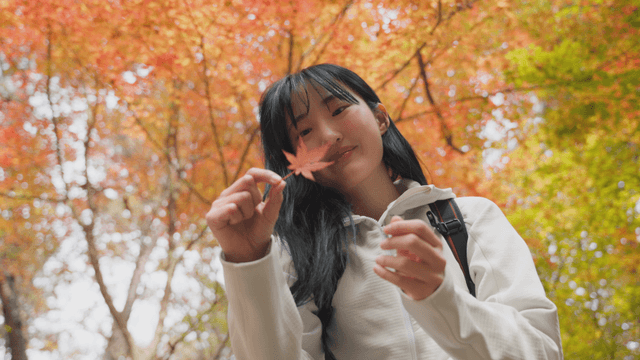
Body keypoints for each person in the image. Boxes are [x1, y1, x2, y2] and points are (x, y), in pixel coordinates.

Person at [206, 64, 563, 359]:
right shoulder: (295, 257)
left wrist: (441, 301)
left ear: (380, 118)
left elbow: (541, 351)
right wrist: (248, 262)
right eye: (304, 131)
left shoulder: (469, 219)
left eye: (339, 109)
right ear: (293, 163)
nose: (329, 135)